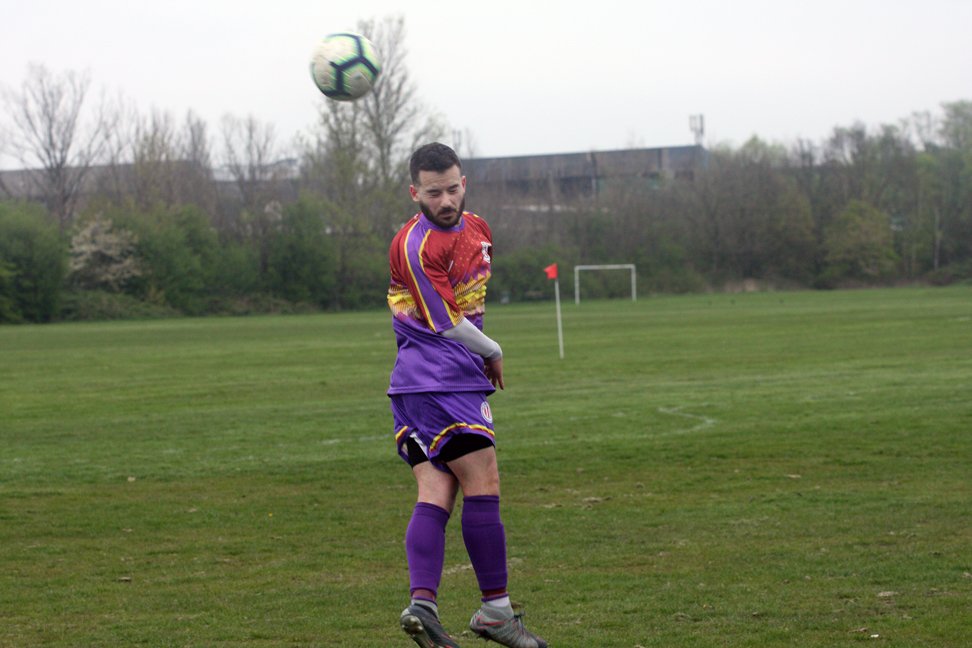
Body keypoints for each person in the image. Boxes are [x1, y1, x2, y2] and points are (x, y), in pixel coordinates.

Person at [387, 143, 547, 648]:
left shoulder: (479, 230)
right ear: (414, 192)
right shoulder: (413, 245)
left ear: (464, 183)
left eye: (452, 189)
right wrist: (493, 350)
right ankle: (496, 611)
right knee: (484, 481)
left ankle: (423, 606)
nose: (446, 200)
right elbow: (446, 322)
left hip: (420, 385)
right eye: (433, 193)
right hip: (441, 381)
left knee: (436, 490)